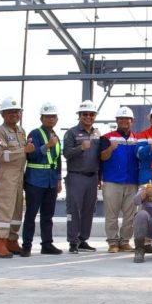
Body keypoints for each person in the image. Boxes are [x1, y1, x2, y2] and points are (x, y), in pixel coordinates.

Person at [22, 102, 63, 256]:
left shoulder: (56, 136)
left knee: (48, 215)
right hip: (35, 180)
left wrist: (58, 179)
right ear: (41, 118)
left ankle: (47, 244)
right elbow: (31, 155)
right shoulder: (35, 134)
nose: (50, 119)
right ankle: (26, 246)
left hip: (51, 181)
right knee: (31, 214)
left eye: (53, 116)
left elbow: (57, 159)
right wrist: (47, 146)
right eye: (47, 117)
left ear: (57, 119)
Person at [0, 97, 29, 259]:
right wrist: (23, 150)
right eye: (10, 112)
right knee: (4, 210)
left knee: (17, 211)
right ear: (3, 114)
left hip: (19, 176)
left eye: (16, 111)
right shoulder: (0, 132)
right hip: (6, 177)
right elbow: (1, 156)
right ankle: (0, 244)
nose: (14, 114)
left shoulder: (21, 131)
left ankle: (12, 240)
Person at [99, 106, 140, 253]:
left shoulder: (137, 139)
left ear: (132, 121)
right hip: (112, 181)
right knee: (112, 214)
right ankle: (112, 242)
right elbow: (102, 157)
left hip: (132, 181)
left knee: (130, 215)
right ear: (116, 120)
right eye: (121, 119)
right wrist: (110, 148)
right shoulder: (107, 138)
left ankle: (124, 241)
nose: (124, 121)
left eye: (127, 119)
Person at [62, 100, 102, 253]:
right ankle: (73, 242)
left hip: (92, 177)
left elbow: (99, 157)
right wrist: (81, 148)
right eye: (85, 114)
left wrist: (99, 177)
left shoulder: (97, 133)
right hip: (76, 176)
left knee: (88, 210)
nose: (88, 117)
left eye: (91, 114)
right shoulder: (71, 133)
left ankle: (83, 240)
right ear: (79, 115)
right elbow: (66, 153)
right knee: (74, 210)